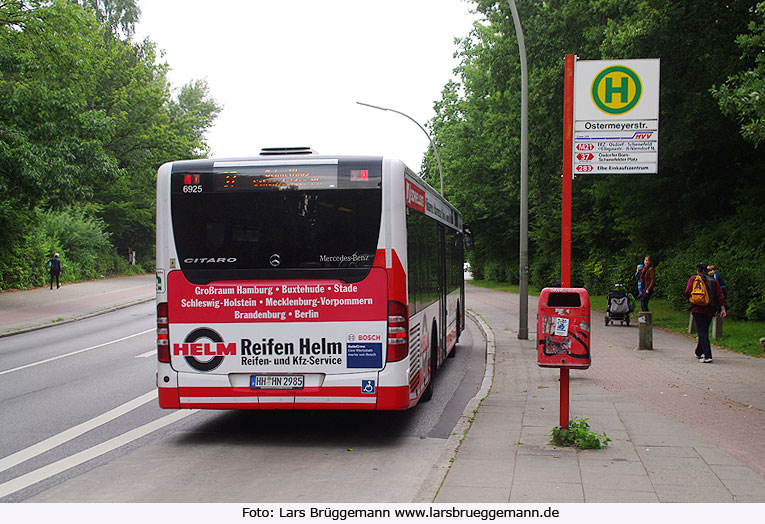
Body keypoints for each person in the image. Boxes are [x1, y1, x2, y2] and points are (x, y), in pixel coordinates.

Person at [684, 262, 726, 363]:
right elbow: (720, 295)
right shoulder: (714, 281)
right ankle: (698, 352)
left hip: (697, 308)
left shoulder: (694, 279)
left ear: (697, 270)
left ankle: (708, 355)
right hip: (710, 309)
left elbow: (687, 292)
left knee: (702, 332)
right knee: (704, 330)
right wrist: (723, 309)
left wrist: (691, 299)